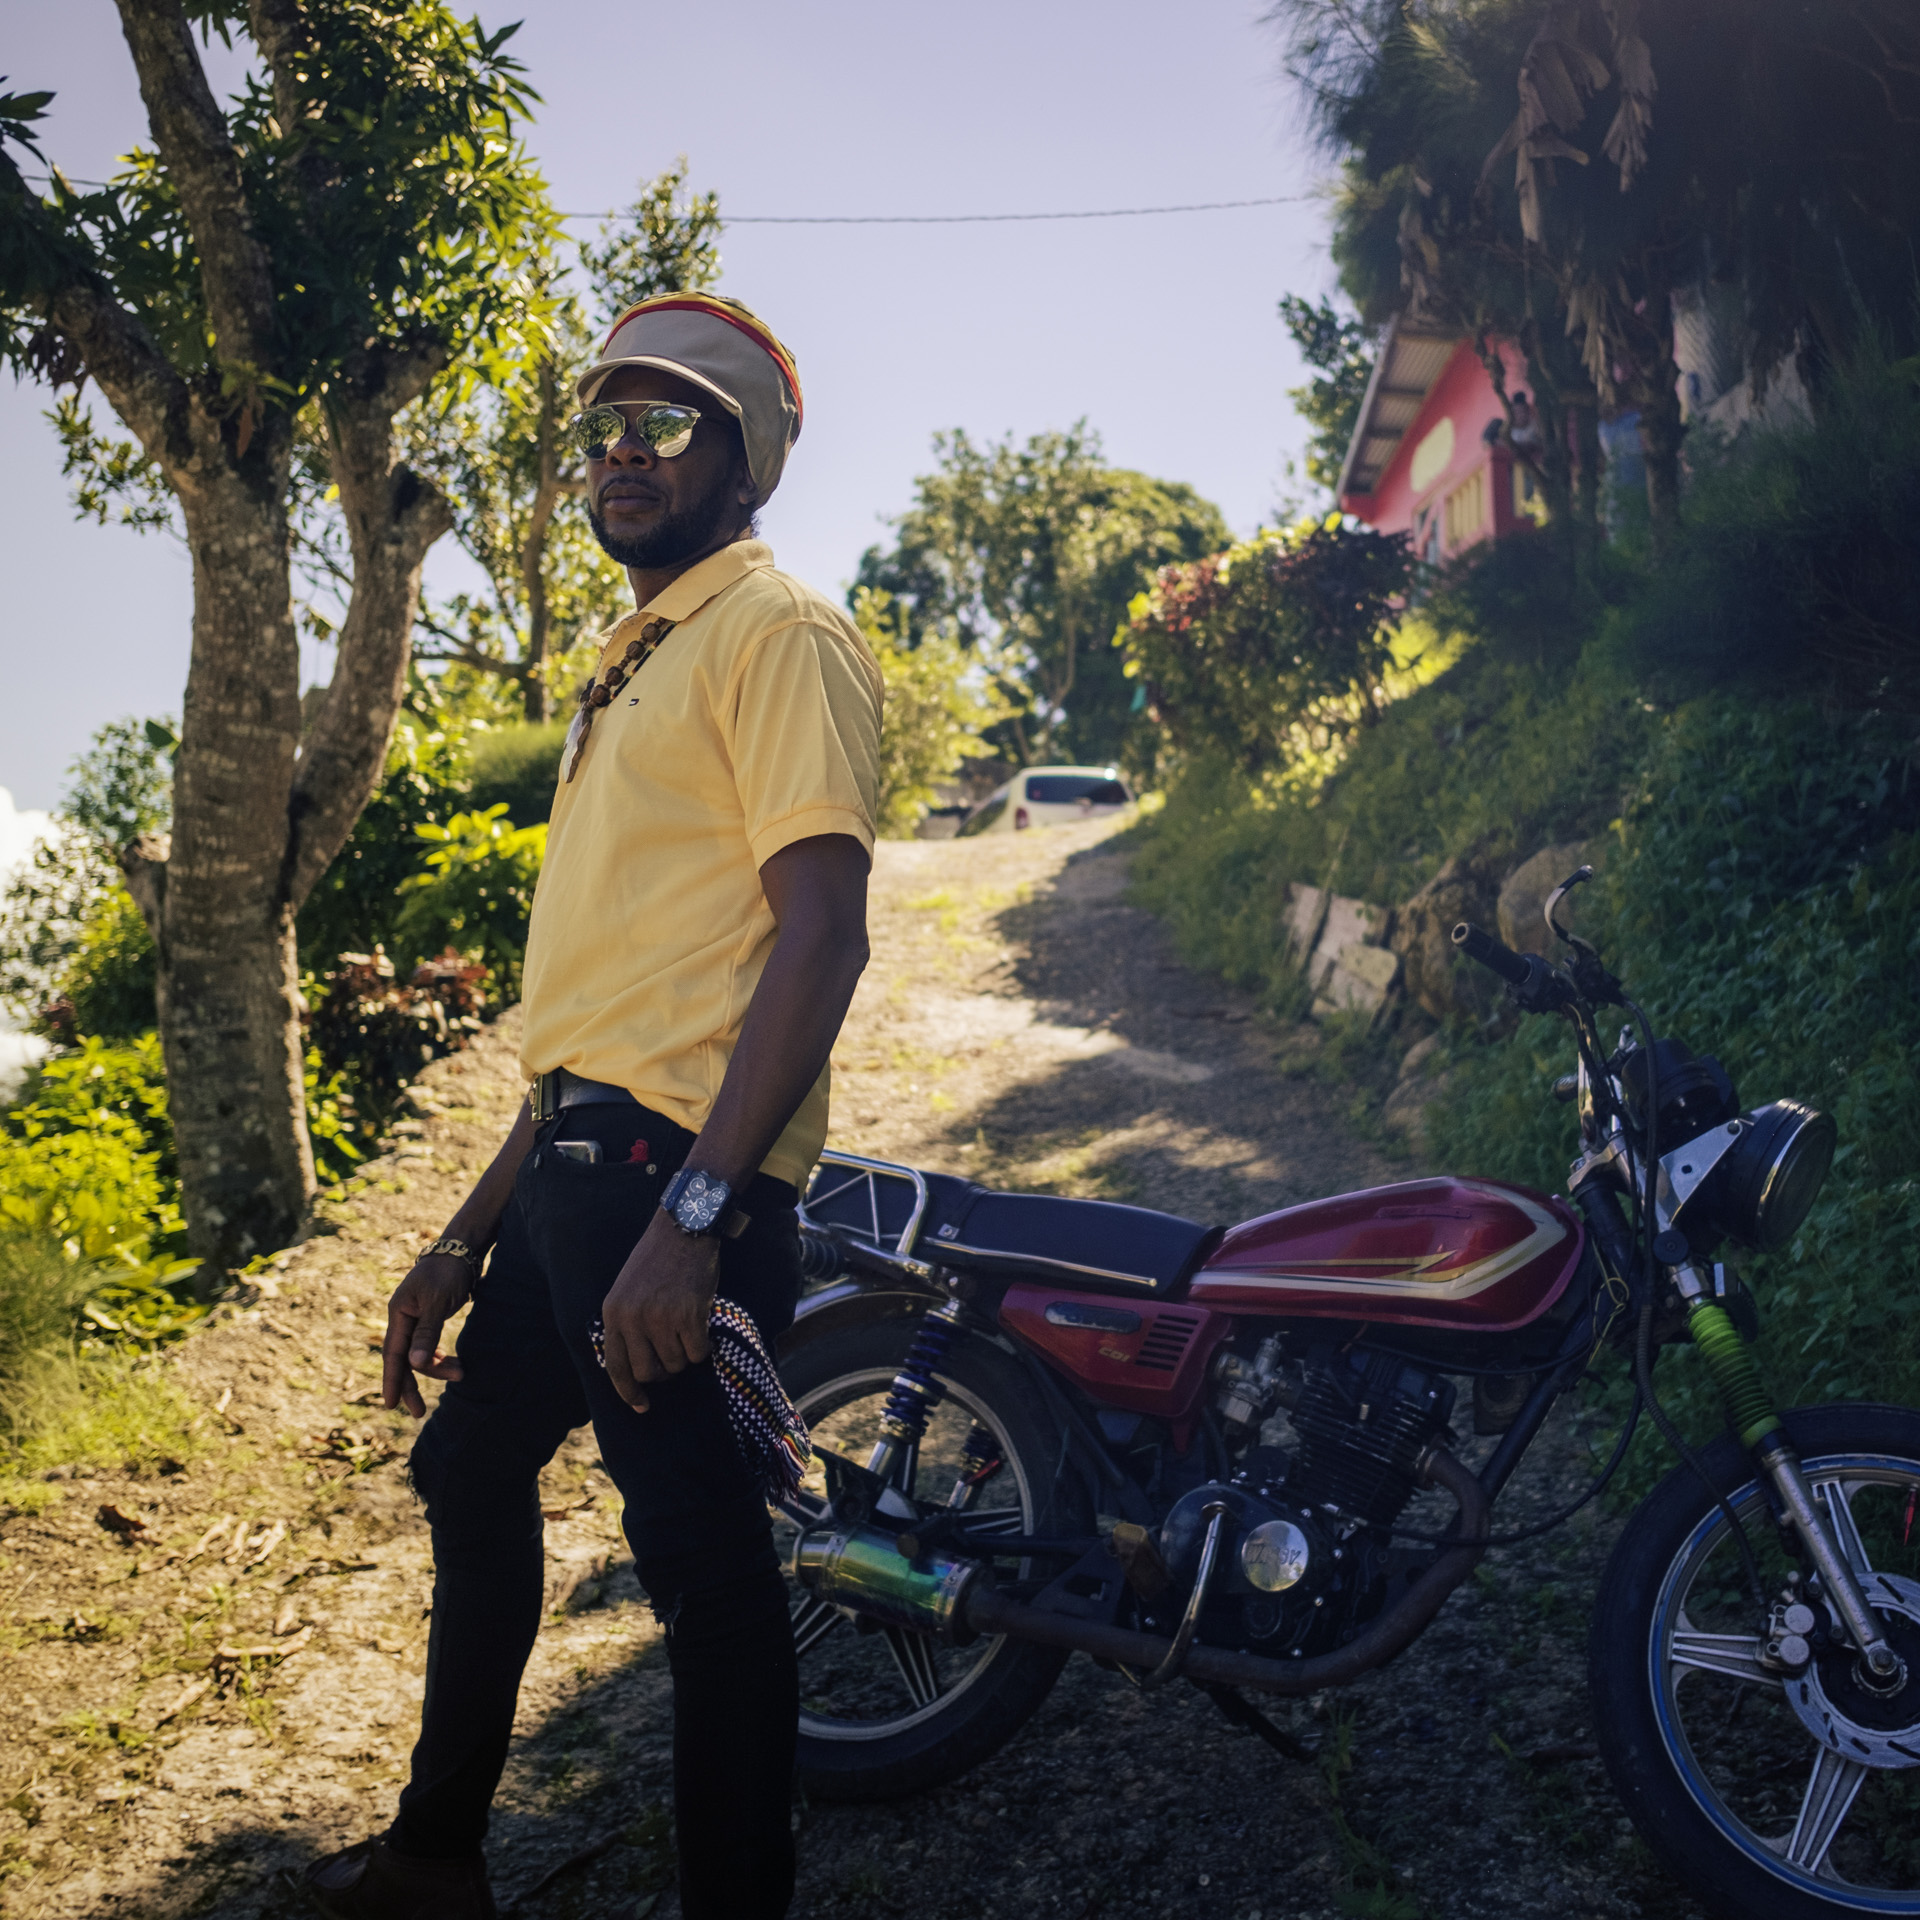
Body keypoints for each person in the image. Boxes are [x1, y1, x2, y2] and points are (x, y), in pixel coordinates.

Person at [306, 293, 882, 1920]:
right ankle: (434, 1861)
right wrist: (457, 1238)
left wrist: (694, 1222)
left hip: (665, 1195)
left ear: (744, 453)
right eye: (606, 429)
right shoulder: (635, 666)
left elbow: (824, 935)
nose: (624, 455)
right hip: (571, 1178)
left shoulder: (778, 632)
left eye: (668, 423)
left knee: (705, 1574)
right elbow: (592, 1023)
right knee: (469, 1473)